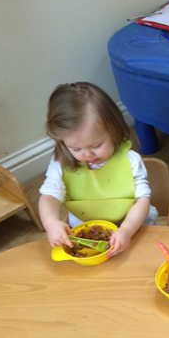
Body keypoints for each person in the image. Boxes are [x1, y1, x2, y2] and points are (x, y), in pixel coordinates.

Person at [39, 82, 157, 257]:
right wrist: (51, 223)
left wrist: (126, 229)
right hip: (86, 235)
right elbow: (49, 196)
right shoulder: (60, 163)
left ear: (114, 131)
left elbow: (142, 200)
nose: (87, 154)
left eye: (96, 145)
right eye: (75, 149)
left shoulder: (130, 160)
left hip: (135, 228)